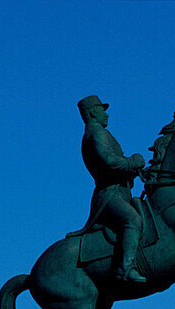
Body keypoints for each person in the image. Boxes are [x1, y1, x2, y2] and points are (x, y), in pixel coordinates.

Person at [70, 95, 147, 283]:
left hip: (119, 191)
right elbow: (109, 162)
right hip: (109, 194)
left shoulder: (99, 133)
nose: (106, 113)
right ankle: (126, 268)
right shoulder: (96, 134)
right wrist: (133, 162)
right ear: (91, 113)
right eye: (101, 109)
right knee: (133, 219)